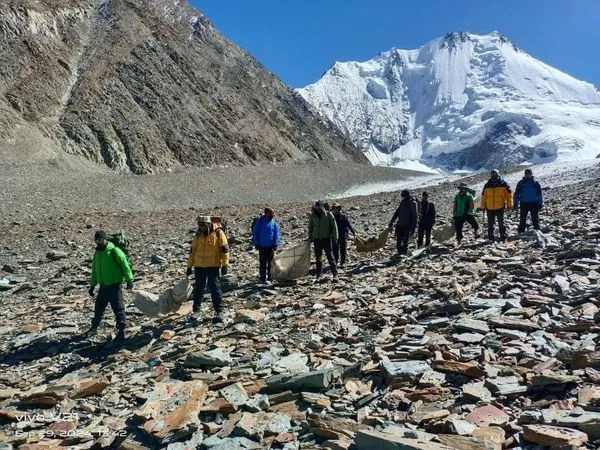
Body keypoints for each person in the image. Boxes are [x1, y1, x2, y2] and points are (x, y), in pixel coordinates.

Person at [85, 230, 134, 343]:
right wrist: (92, 285)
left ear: (106, 239)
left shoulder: (114, 251)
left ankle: (122, 331)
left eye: (101, 240)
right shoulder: (97, 254)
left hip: (115, 286)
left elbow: (125, 265)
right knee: (98, 309)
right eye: (97, 240)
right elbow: (95, 271)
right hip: (103, 287)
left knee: (118, 309)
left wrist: (129, 280)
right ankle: (94, 328)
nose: (99, 242)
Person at [186, 215, 230, 322]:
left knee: (215, 289)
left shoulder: (218, 233)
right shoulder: (198, 235)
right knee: (198, 290)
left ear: (208, 224)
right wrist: (189, 266)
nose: (201, 227)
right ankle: (196, 311)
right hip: (199, 266)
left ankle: (219, 311)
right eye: (199, 225)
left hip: (213, 266)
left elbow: (225, 250)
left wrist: (225, 264)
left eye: (203, 225)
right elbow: (193, 251)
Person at [308, 200, 339, 280]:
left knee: (330, 257)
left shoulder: (328, 214)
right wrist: (310, 237)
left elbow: (334, 226)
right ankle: (319, 275)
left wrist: (335, 237)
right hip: (316, 240)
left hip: (326, 239)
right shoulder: (313, 215)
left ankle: (335, 274)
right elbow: (310, 227)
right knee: (318, 259)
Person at [481, 169, 513, 241]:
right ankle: (490, 238)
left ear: (498, 175)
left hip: (500, 207)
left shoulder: (504, 184)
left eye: (495, 175)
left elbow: (509, 195)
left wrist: (510, 205)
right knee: (490, 224)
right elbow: (483, 197)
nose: (494, 176)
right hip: (489, 208)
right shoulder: (487, 185)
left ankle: (503, 236)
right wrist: (483, 207)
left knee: (501, 223)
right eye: (492, 175)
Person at [252, 207, 281, 283]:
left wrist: (275, 244)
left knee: (271, 263)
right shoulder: (260, 222)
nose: (273, 215)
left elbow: (276, 234)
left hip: (270, 246)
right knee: (262, 263)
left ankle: (270, 277)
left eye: (273, 213)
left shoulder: (273, 223)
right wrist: (256, 243)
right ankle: (262, 277)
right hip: (262, 246)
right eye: (271, 213)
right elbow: (255, 233)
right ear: (267, 213)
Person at [388, 190, 418, 255]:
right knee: (398, 241)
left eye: (403, 196)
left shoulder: (413, 203)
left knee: (405, 241)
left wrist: (413, 227)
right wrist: (392, 221)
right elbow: (397, 213)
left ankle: (404, 253)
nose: (402, 197)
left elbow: (415, 217)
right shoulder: (402, 203)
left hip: (407, 225)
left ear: (406, 196)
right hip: (400, 225)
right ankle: (399, 252)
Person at [514, 168, 544, 234]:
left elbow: (539, 193)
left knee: (535, 218)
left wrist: (541, 203)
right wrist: (515, 203)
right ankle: (521, 231)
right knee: (522, 218)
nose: (527, 175)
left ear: (531, 174)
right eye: (526, 173)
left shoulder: (535, 183)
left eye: (528, 173)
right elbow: (516, 193)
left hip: (534, 203)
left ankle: (537, 231)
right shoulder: (521, 183)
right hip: (523, 203)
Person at [331, 203, 356, 267]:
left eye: (337, 208)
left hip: (343, 235)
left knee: (343, 249)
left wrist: (353, 232)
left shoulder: (343, 216)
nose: (335, 209)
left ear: (339, 208)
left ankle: (342, 262)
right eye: (334, 208)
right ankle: (335, 262)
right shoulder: (331, 217)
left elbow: (348, 225)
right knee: (335, 250)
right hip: (334, 236)